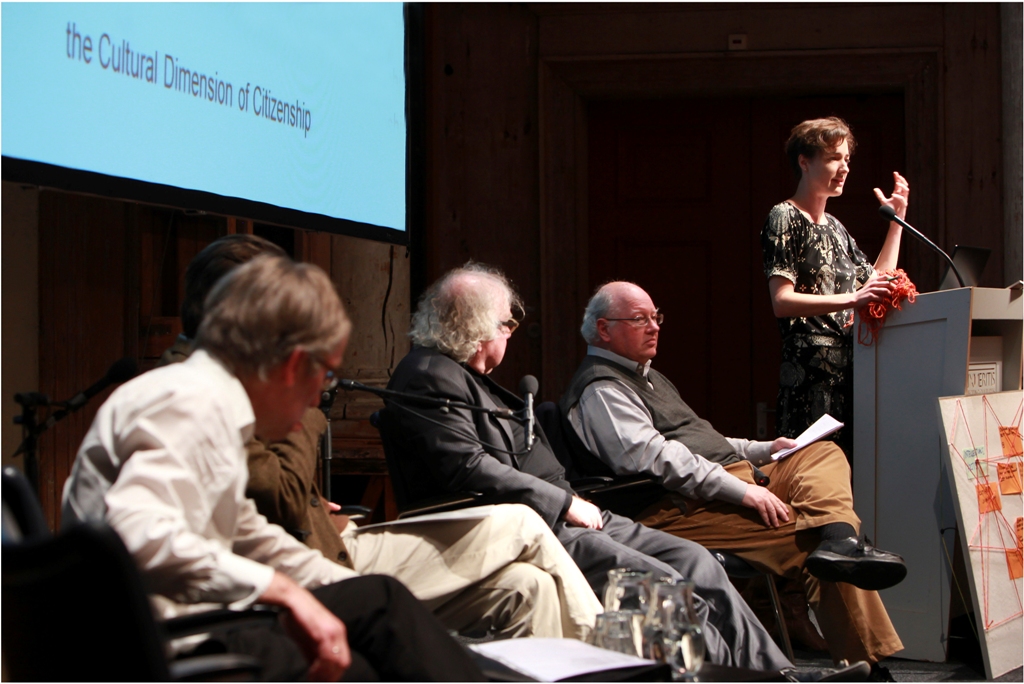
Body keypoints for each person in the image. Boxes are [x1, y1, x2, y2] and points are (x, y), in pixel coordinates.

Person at [384, 262, 866, 678]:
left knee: (696, 562)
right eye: (507, 322)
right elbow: (469, 468)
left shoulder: (459, 374)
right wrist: (564, 502)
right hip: (531, 523)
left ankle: (778, 675)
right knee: (666, 583)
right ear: (476, 325)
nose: (511, 332)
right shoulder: (429, 375)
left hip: (566, 511)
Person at [62, 255, 483, 681]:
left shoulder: (204, 400)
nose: (319, 396)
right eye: (327, 375)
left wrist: (338, 582)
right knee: (371, 640)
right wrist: (282, 591)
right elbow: (133, 534)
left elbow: (251, 538)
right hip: (167, 648)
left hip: (183, 632)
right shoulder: (190, 400)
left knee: (377, 606)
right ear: (294, 364)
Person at [161, 234, 602, 641]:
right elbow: (275, 496)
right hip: (314, 562)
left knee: (528, 586)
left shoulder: (230, 382)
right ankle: (610, 656)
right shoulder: (192, 391)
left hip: (327, 544)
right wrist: (306, 401)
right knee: (522, 522)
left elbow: (263, 494)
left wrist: (310, 501)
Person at [560, 280, 905, 670]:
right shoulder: (602, 389)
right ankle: (870, 665)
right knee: (810, 537)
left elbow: (703, 440)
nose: (654, 327)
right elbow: (657, 459)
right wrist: (742, 491)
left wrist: (763, 449)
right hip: (676, 507)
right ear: (604, 329)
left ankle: (839, 538)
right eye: (640, 319)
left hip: (726, 479)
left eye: (656, 317)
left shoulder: (646, 375)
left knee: (821, 452)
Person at [761, 116, 908, 459]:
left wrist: (897, 222)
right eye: (833, 159)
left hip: (851, 374)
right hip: (809, 379)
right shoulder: (784, 216)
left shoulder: (836, 228)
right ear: (804, 162)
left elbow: (875, 281)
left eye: (847, 159)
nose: (844, 168)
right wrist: (854, 298)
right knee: (813, 473)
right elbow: (781, 301)